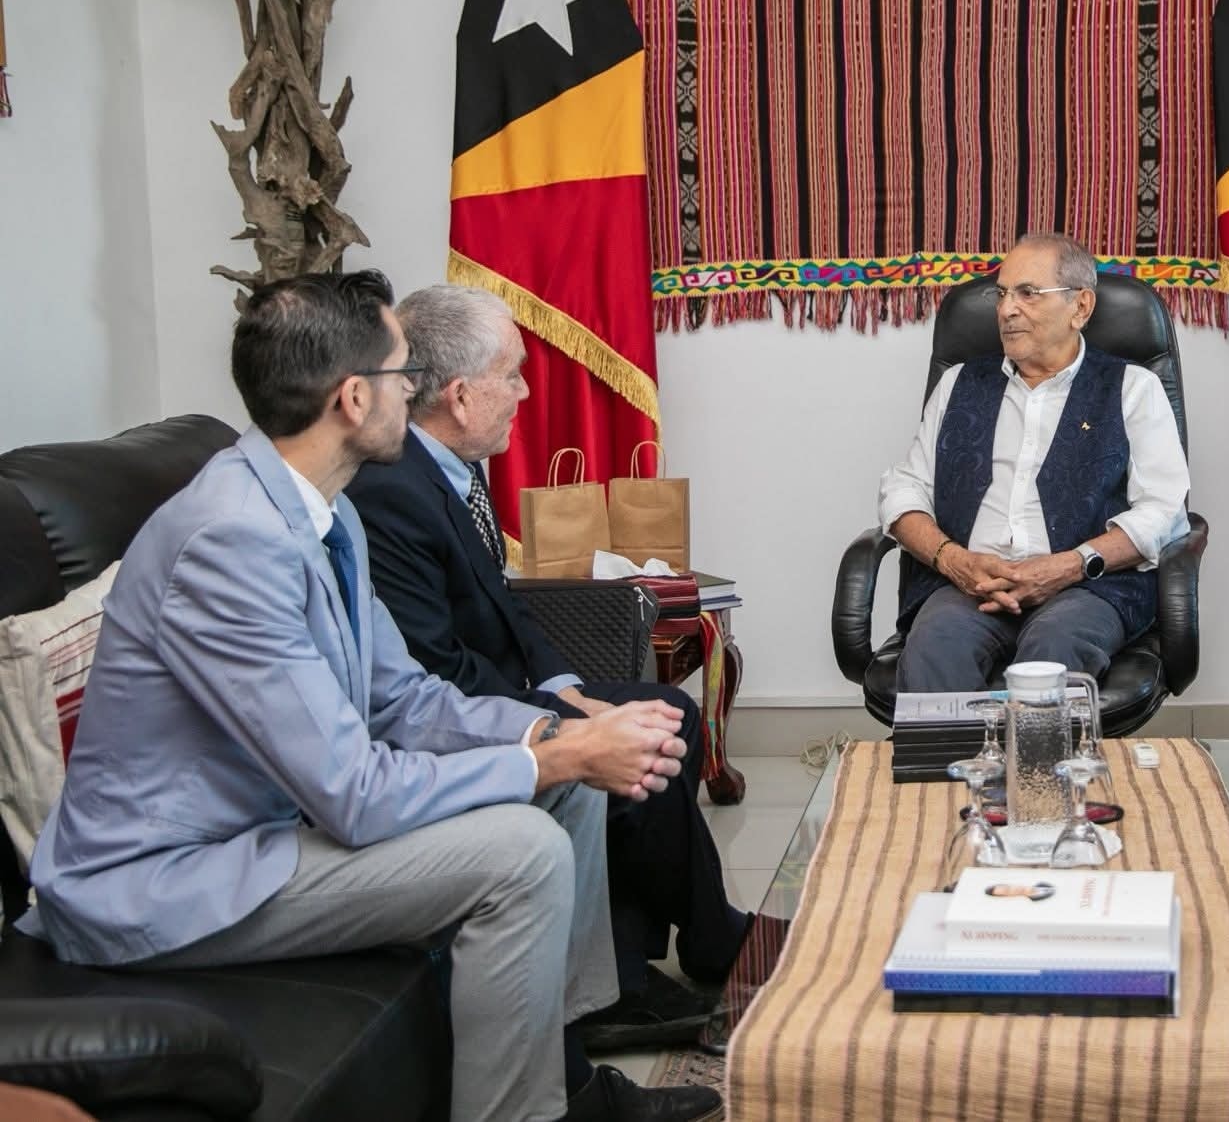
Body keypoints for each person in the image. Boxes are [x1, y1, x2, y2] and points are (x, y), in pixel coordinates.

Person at [20, 270, 720, 1122]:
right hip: (172, 882)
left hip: (265, 833)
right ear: (354, 399)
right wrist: (553, 756)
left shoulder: (325, 511)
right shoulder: (230, 541)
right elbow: (352, 793)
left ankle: (563, 1078)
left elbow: (405, 701)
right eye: (402, 374)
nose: (415, 391)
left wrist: (554, 731)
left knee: (565, 789)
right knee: (522, 849)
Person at [347, 285, 750, 1052]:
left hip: (509, 690)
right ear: (460, 395)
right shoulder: (390, 492)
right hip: (459, 716)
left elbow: (509, 609)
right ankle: (662, 964)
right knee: (655, 729)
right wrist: (559, 716)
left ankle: (654, 957)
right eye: (513, 375)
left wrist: (568, 690)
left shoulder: (454, 463)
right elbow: (434, 669)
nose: (526, 393)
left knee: (662, 716)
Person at [878, 232, 1191, 692]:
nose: (1007, 309)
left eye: (1027, 293)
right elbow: (905, 489)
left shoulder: (1132, 388)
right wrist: (954, 560)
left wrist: (1070, 565)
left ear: (1080, 307)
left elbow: (1164, 511)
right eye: (1002, 294)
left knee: (1054, 650)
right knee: (935, 647)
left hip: (1084, 589)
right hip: (970, 587)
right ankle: (948, 746)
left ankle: (1032, 747)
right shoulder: (959, 383)